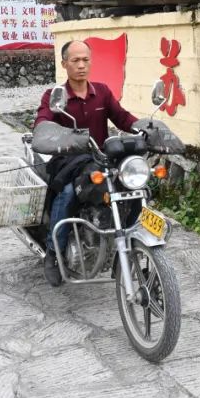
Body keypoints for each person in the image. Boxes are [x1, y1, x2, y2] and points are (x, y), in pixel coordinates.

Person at [34, 39, 137, 286]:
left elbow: (122, 117)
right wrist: (46, 131)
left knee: (134, 189)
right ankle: (53, 254)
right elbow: (43, 120)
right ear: (64, 64)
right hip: (68, 163)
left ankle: (126, 242)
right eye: (75, 60)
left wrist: (143, 128)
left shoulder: (101, 92)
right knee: (68, 195)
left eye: (85, 60)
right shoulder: (55, 95)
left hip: (99, 161)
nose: (81, 65)